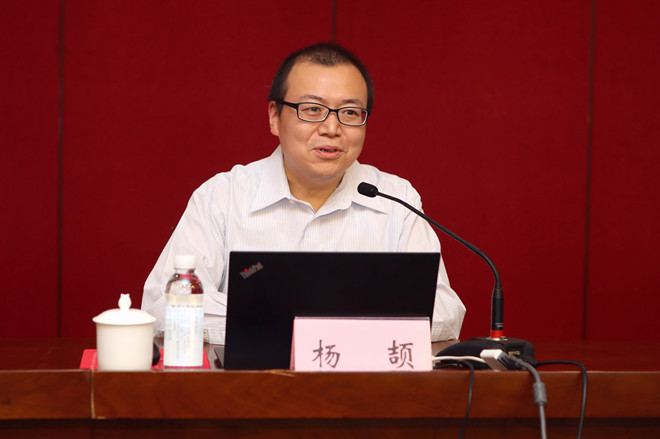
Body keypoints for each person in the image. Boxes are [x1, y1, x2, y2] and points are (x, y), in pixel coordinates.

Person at [142, 42, 465, 345]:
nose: (331, 128)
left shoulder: (395, 199)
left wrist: (273, 319)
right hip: (251, 384)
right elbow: (163, 304)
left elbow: (445, 311)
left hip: (363, 386)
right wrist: (308, 322)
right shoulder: (222, 197)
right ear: (274, 116)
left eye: (350, 113)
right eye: (312, 109)